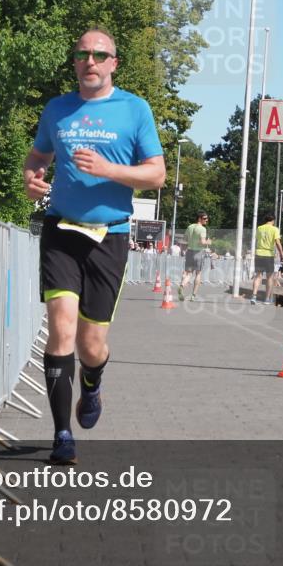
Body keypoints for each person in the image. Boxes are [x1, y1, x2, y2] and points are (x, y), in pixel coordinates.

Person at [23, 28, 166, 464]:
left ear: (113, 64)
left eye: (99, 55)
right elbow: (38, 157)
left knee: (91, 344)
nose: (91, 61)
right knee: (61, 326)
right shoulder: (58, 109)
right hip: (61, 230)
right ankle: (62, 434)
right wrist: (31, 178)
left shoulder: (134, 109)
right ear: (75, 62)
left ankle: (92, 382)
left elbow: (156, 175)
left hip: (111, 235)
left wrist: (108, 169)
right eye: (83, 54)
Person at [250, 212, 283, 305]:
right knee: (270, 277)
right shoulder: (275, 229)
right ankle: (267, 299)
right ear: (273, 220)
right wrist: (282, 254)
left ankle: (254, 296)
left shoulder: (259, 228)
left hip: (259, 253)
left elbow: (257, 239)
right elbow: (277, 242)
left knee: (258, 276)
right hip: (269, 254)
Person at [180, 210, 211, 301]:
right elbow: (202, 242)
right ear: (199, 218)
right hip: (198, 252)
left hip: (189, 251)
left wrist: (183, 250)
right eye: (205, 218)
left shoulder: (190, 227)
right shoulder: (202, 229)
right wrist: (208, 242)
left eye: (207, 218)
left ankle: (181, 286)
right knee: (198, 273)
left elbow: (184, 239)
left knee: (188, 273)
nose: (206, 220)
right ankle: (193, 295)